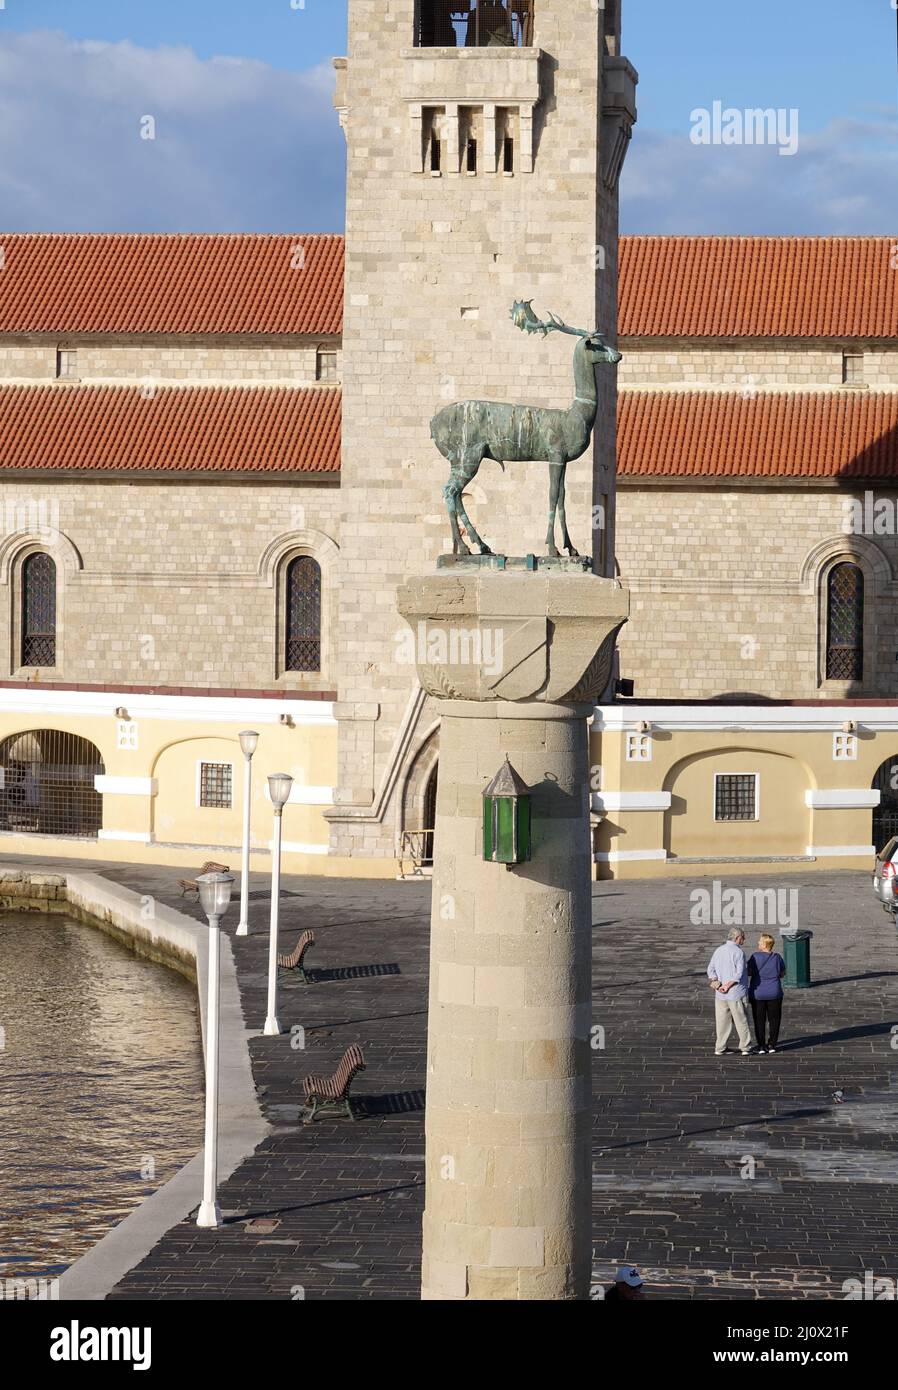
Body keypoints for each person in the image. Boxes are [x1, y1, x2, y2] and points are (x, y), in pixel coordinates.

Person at [707, 927, 754, 1057]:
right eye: (743, 937)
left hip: (720, 994)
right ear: (737, 938)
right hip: (736, 993)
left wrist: (716, 982)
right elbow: (738, 974)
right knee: (741, 1021)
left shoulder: (719, 950)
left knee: (722, 1022)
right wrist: (727, 986)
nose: (744, 939)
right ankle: (745, 1047)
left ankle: (720, 1047)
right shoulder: (738, 952)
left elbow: (710, 969)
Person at [747, 933, 786, 1053]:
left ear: (764, 944)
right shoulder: (777, 957)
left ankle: (761, 1046)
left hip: (758, 993)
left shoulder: (755, 956)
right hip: (774, 993)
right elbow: (782, 973)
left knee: (759, 1020)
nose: (758, 943)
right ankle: (772, 1045)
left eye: (760, 941)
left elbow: (748, 972)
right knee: (774, 1020)